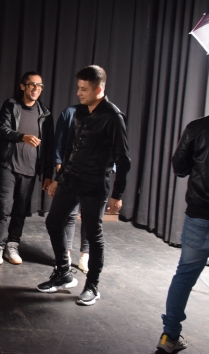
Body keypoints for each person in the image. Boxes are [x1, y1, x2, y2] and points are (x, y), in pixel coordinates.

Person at [38, 65, 130, 306]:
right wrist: (59, 179)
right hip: (71, 180)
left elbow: (123, 159)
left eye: (84, 89)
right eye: (78, 88)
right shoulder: (79, 112)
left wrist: (117, 194)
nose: (79, 93)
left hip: (95, 184)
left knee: (93, 234)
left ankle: (92, 286)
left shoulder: (113, 117)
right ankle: (63, 273)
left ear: (98, 89)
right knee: (53, 222)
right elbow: (71, 148)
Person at [156, 73, 209, 353]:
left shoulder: (197, 127)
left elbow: (179, 168)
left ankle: (169, 338)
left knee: (184, 278)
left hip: (200, 217)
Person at [0, 72, 54, 268]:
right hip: (9, 164)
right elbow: (3, 129)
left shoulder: (45, 114)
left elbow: (49, 146)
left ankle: (12, 245)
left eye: (40, 86)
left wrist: (48, 174)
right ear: (23, 86)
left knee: (20, 210)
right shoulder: (11, 105)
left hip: (30, 168)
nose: (36, 88)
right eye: (32, 84)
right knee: (3, 206)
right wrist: (22, 137)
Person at [54, 105, 90, 273]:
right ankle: (66, 254)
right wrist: (58, 162)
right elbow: (60, 140)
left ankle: (85, 256)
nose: (80, 93)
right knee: (69, 215)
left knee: (90, 218)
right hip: (71, 172)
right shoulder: (69, 113)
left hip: (93, 175)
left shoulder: (108, 115)